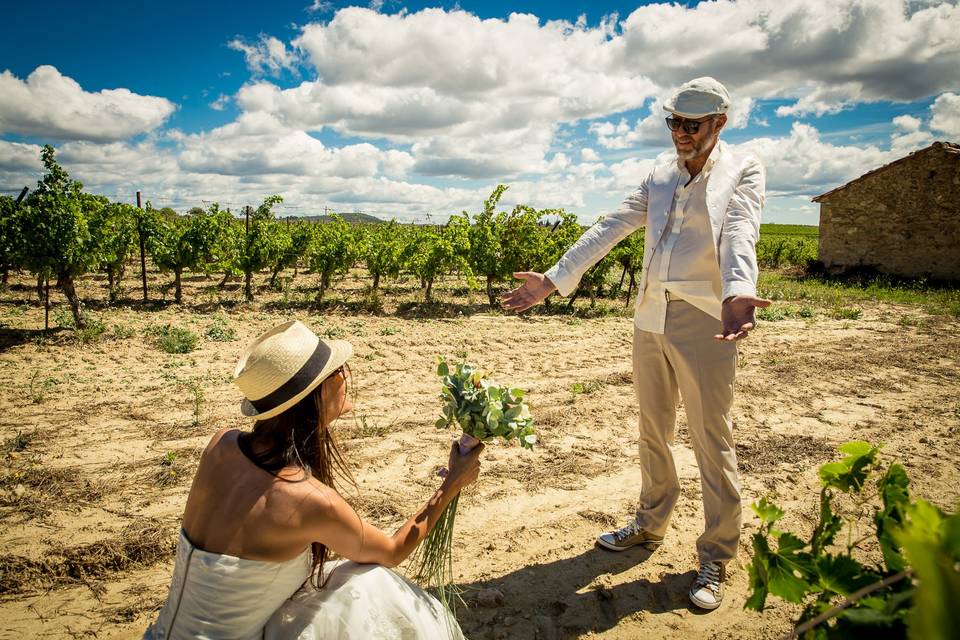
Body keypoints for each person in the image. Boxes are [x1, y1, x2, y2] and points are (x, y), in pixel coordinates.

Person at [501, 77, 770, 611]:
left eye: (691, 125)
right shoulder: (659, 174)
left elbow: (741, 229)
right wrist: (555, 278)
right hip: (650, 316)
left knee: (710, 436)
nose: (680, 134)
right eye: (673, 123)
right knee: (653, 429)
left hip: (703, 318)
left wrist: (741, 290)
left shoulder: (744, 168)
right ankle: (649, 524)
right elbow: (612, 225)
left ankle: (716, 553)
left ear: (720, 123)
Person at [144, 319, 483, 639]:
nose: (346, 374)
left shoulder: (221, 444)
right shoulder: (306, 499)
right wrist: (452, 483)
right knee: (369, 583)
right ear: (316, 393)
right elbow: (393, 551)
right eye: (337, 371)